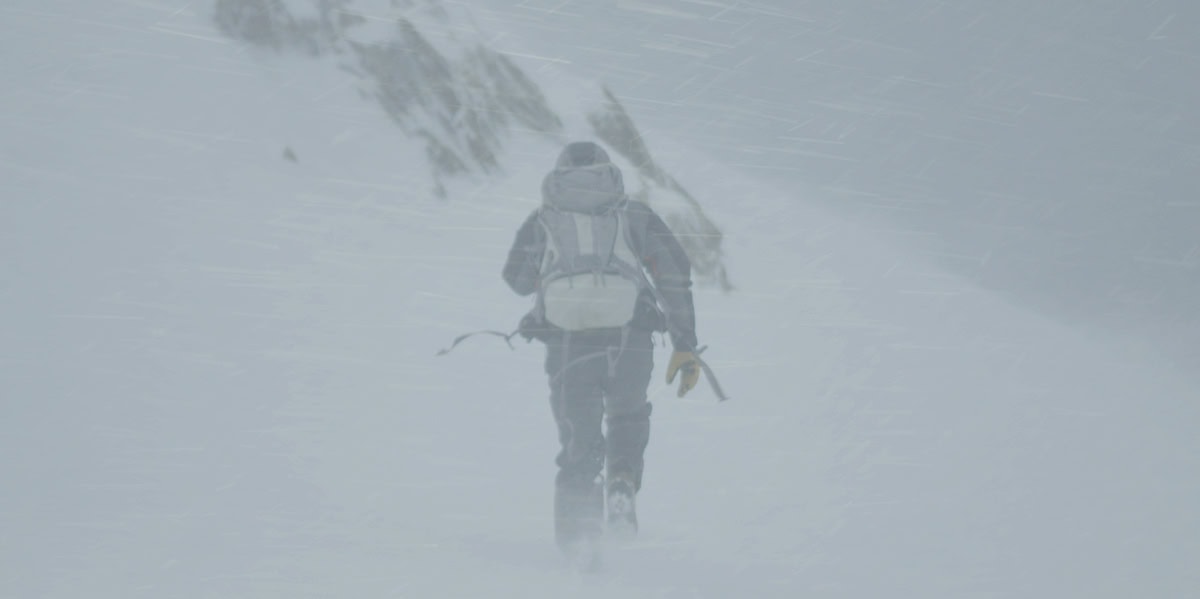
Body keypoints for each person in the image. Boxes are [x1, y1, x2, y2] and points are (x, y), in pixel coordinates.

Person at [502, 141, 701, 559]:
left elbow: (516, 279)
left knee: (580, 439)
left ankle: (579, 538)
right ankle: (622, 478)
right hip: (630, 340)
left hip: (569, 345)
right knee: (627, 415)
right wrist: (684, 343)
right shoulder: (634, 214)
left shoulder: (544, 219)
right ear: (608, 173)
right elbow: (674, 272)